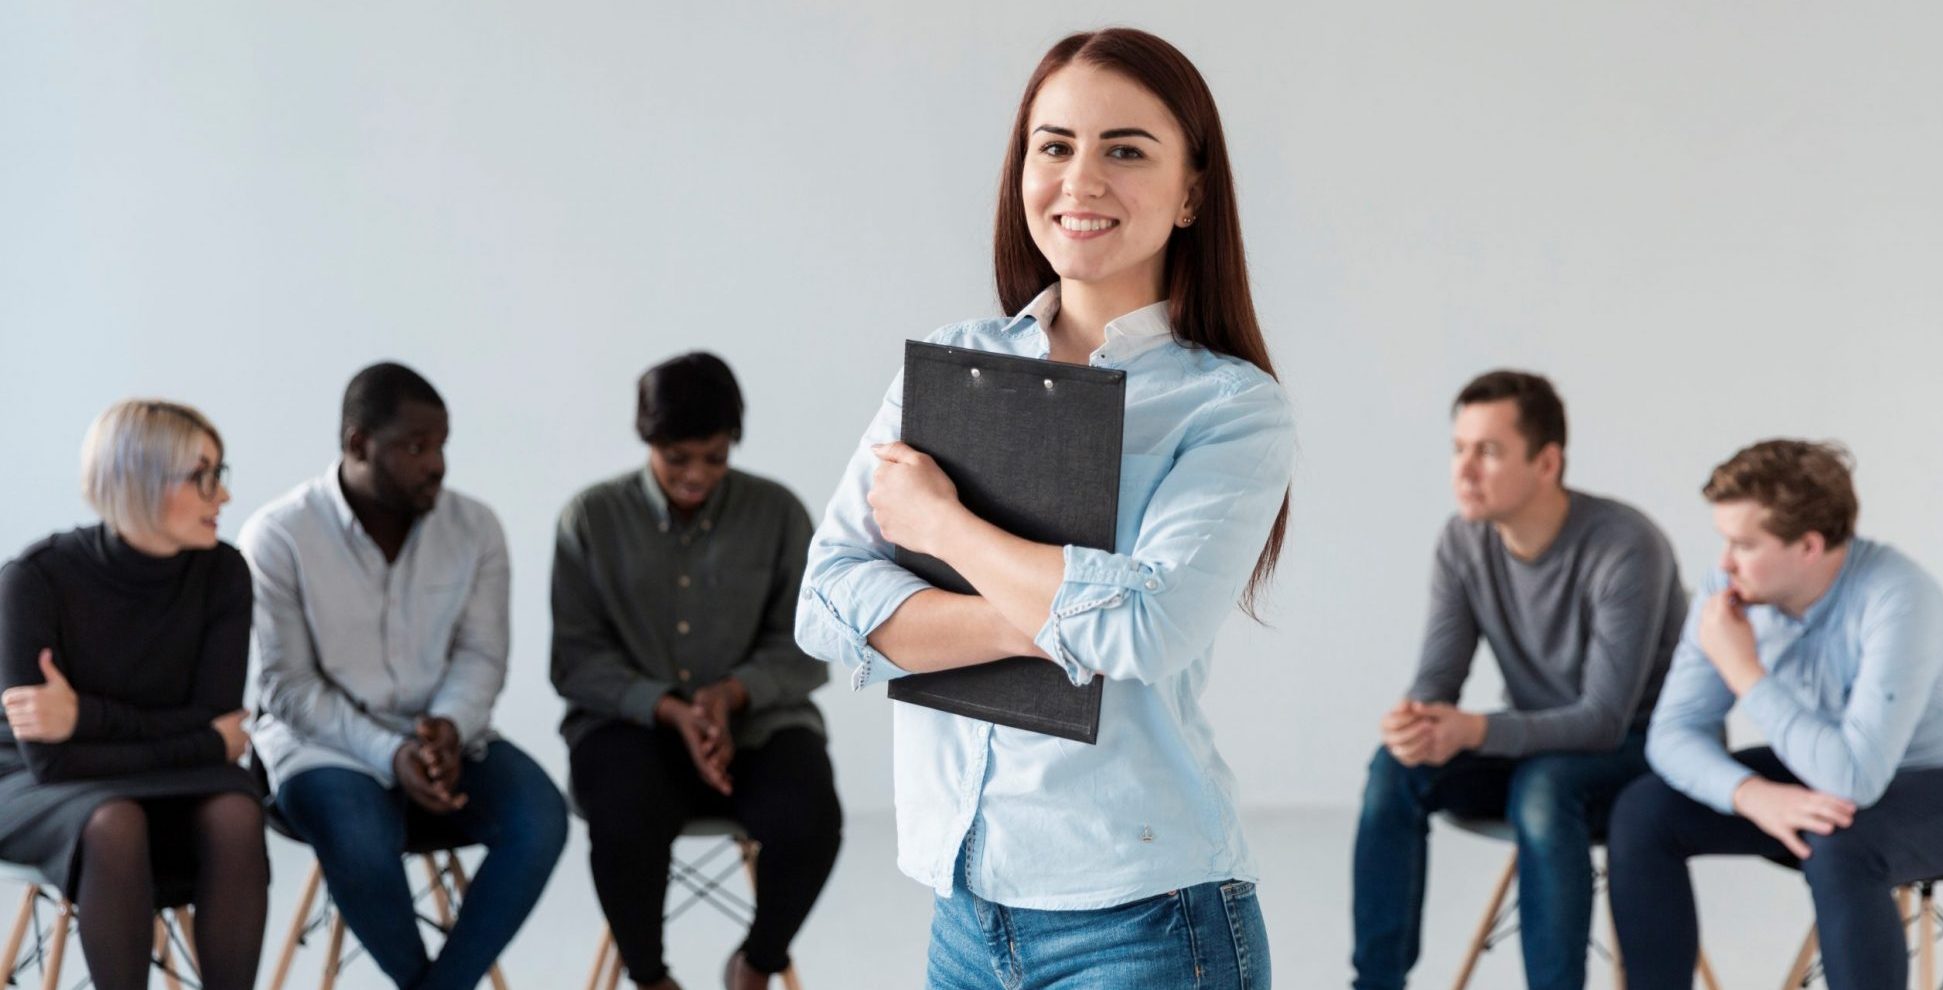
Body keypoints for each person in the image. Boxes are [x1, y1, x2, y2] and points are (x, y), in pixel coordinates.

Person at [796, 28, 1291, 989]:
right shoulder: (949, 366)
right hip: (964, 919)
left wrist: (941, 527)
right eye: (1054, 145)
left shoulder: (1229, 405)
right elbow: (826, 603)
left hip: (1147, 923)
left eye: (1126, 150)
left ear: (1192, 191)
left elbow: (1148, 630)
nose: (1081, 178)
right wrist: (1062, 616)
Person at [1350, 371, 1686, 990]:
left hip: (1640, 753)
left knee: (1543, 785)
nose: (1465, 470)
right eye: (1459, 449)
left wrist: (1473, 730)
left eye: (1489, 451)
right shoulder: (1463, 541)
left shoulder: (1625, 546)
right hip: (1538, 747)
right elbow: (1438, 679)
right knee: (1392, 770)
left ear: (1547, 462)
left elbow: (1604, 718)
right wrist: (1416, 722)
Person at [1608, 439, 1943, 990]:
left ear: (1809, 546)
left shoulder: (1897, 598)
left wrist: (1744, 673)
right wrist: (1751, 794)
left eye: (1743, 544)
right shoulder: (1731, 592)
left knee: (1841, 841)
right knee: (1645, 810)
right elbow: (1673, 735)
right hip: (1837, 767)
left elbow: (1855, 779)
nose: (1723, 563)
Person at [244, 362, 567, 990]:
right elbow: (287, 687)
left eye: (442, 444)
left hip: (449, 740)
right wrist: (392, 756)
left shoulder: (476, 528)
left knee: (541, 818)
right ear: (358, 444)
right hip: (322, 746)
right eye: (416, 447)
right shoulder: (279, 535)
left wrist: (448, 726)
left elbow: (482, 656)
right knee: (361, 837)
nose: (438, 463)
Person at [553, 352, 841, 990]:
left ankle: (757, 966)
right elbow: (576, 660)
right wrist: (669, 707)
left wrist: (729, 696)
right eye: (677, 458)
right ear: (647, 440)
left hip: (758, 727)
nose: (696, 477)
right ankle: (652, 979)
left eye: (715, 457)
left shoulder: (778, 513)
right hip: (629, 730)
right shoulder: (590, 519)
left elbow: (808, 642)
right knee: (623, 818)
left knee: (812, 817)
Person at [0, 400, 267, 990]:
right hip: (31, 780)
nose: (221, 496)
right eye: (203, 477)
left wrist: (83, 719)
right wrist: (195, 740)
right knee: (113, 822)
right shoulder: (34, 580)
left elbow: (218, 736)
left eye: (220, 475)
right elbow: (52, 759)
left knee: (235, 811)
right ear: (138, 479)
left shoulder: (224, 574)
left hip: (142, 770)